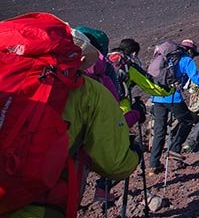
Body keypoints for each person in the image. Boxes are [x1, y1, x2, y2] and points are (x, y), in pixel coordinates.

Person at [1, 14, 140, 218]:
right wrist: (133, 154)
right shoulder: (87, 91)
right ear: (80, 56)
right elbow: (114, 163)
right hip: (37, 205)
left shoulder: (9, 74)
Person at [148, 39, 199, 176]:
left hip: (157, 97)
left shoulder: (165, 57)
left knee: (159, 129)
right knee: (187, 120)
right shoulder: (186, 60)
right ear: (190, 51)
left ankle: (153, 164)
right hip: (173, 97)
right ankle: (175, 149)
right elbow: (196, 79)